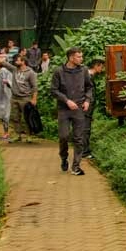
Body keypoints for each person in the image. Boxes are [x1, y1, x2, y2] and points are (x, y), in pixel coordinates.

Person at [50, 47, 93, 176]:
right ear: (70, 57)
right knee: (63, 136)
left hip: (79, 108)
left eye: (81, 56)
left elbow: (89, 87)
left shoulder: (84, 70)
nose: (81, 59)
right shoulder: (58, 71)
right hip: (64, 109)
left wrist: (87, 100)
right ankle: (64, 157)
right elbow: (53, 90)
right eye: (79, 56)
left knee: (79, 138)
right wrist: (66, 100)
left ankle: (76, 166)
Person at [0, 50, 38, 142]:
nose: (15, 62)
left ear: (23, 61)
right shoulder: (14, 69)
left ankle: (29, 136)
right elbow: (3, 62)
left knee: (27, 118)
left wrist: (34, 99)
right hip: (14, 97)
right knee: (15, 117)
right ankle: (18, 135)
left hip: (25, 98)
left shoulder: (30, 73)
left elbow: (35, 87)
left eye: (17, 60)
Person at [81, 57, 104, 159]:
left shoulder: (86, 75)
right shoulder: (88, 77)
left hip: (87, 105)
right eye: (101, 67)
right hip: (87, 105)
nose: (102, 69)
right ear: (96, 65)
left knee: (85, 127)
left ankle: (84, 150)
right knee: (85, 128)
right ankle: (84, 151)